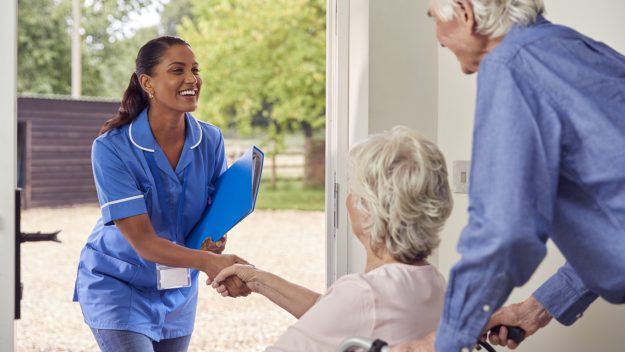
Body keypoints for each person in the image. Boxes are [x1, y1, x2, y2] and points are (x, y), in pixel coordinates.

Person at [392, 1, 625, 351]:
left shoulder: (509, 64)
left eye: (434, 21)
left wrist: (442, 341)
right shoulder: (572, 49)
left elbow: (503, 231)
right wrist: (534, 311)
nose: (439, 40)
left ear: (464, 12)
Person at [72, 36, 251, 352]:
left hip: (177, 290)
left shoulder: (210, 139)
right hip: (118, 285)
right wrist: (208, 262)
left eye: (195, 69)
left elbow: (213, 215)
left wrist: (213, 243)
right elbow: (143, 242)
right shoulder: (112, 148)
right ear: (148, 83)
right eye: (177, 70)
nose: (192, 79)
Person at [210, 126, 453, 351]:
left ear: (370, 211)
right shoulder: (433, 282)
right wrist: (258, 280)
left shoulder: (364, 293)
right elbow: (336, 317)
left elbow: (345, 314)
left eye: (353, 191)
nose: (348, 199)